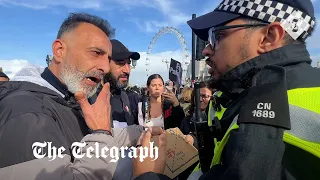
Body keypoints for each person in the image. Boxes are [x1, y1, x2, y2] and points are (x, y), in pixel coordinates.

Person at [133, 0, 320, 179]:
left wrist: (147, 175)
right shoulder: (240, 96)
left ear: (268, 37)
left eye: (217, 36)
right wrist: (195, 139)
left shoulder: (264, 120)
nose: (206, 50)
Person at [0, 13, 153, 179]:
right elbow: (98, 138)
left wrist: (142, 132)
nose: (105, 67)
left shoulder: (70, 97)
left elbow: (82, 138)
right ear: (59, 51)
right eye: (96, 53)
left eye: (107, 58)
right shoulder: (25, 112)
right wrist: (101, 133)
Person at [90, 39, 140, 128]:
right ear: (105, 64)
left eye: (128, 64)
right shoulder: (89, 97)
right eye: (121, 64)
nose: (127, 70)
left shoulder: (124, 97)